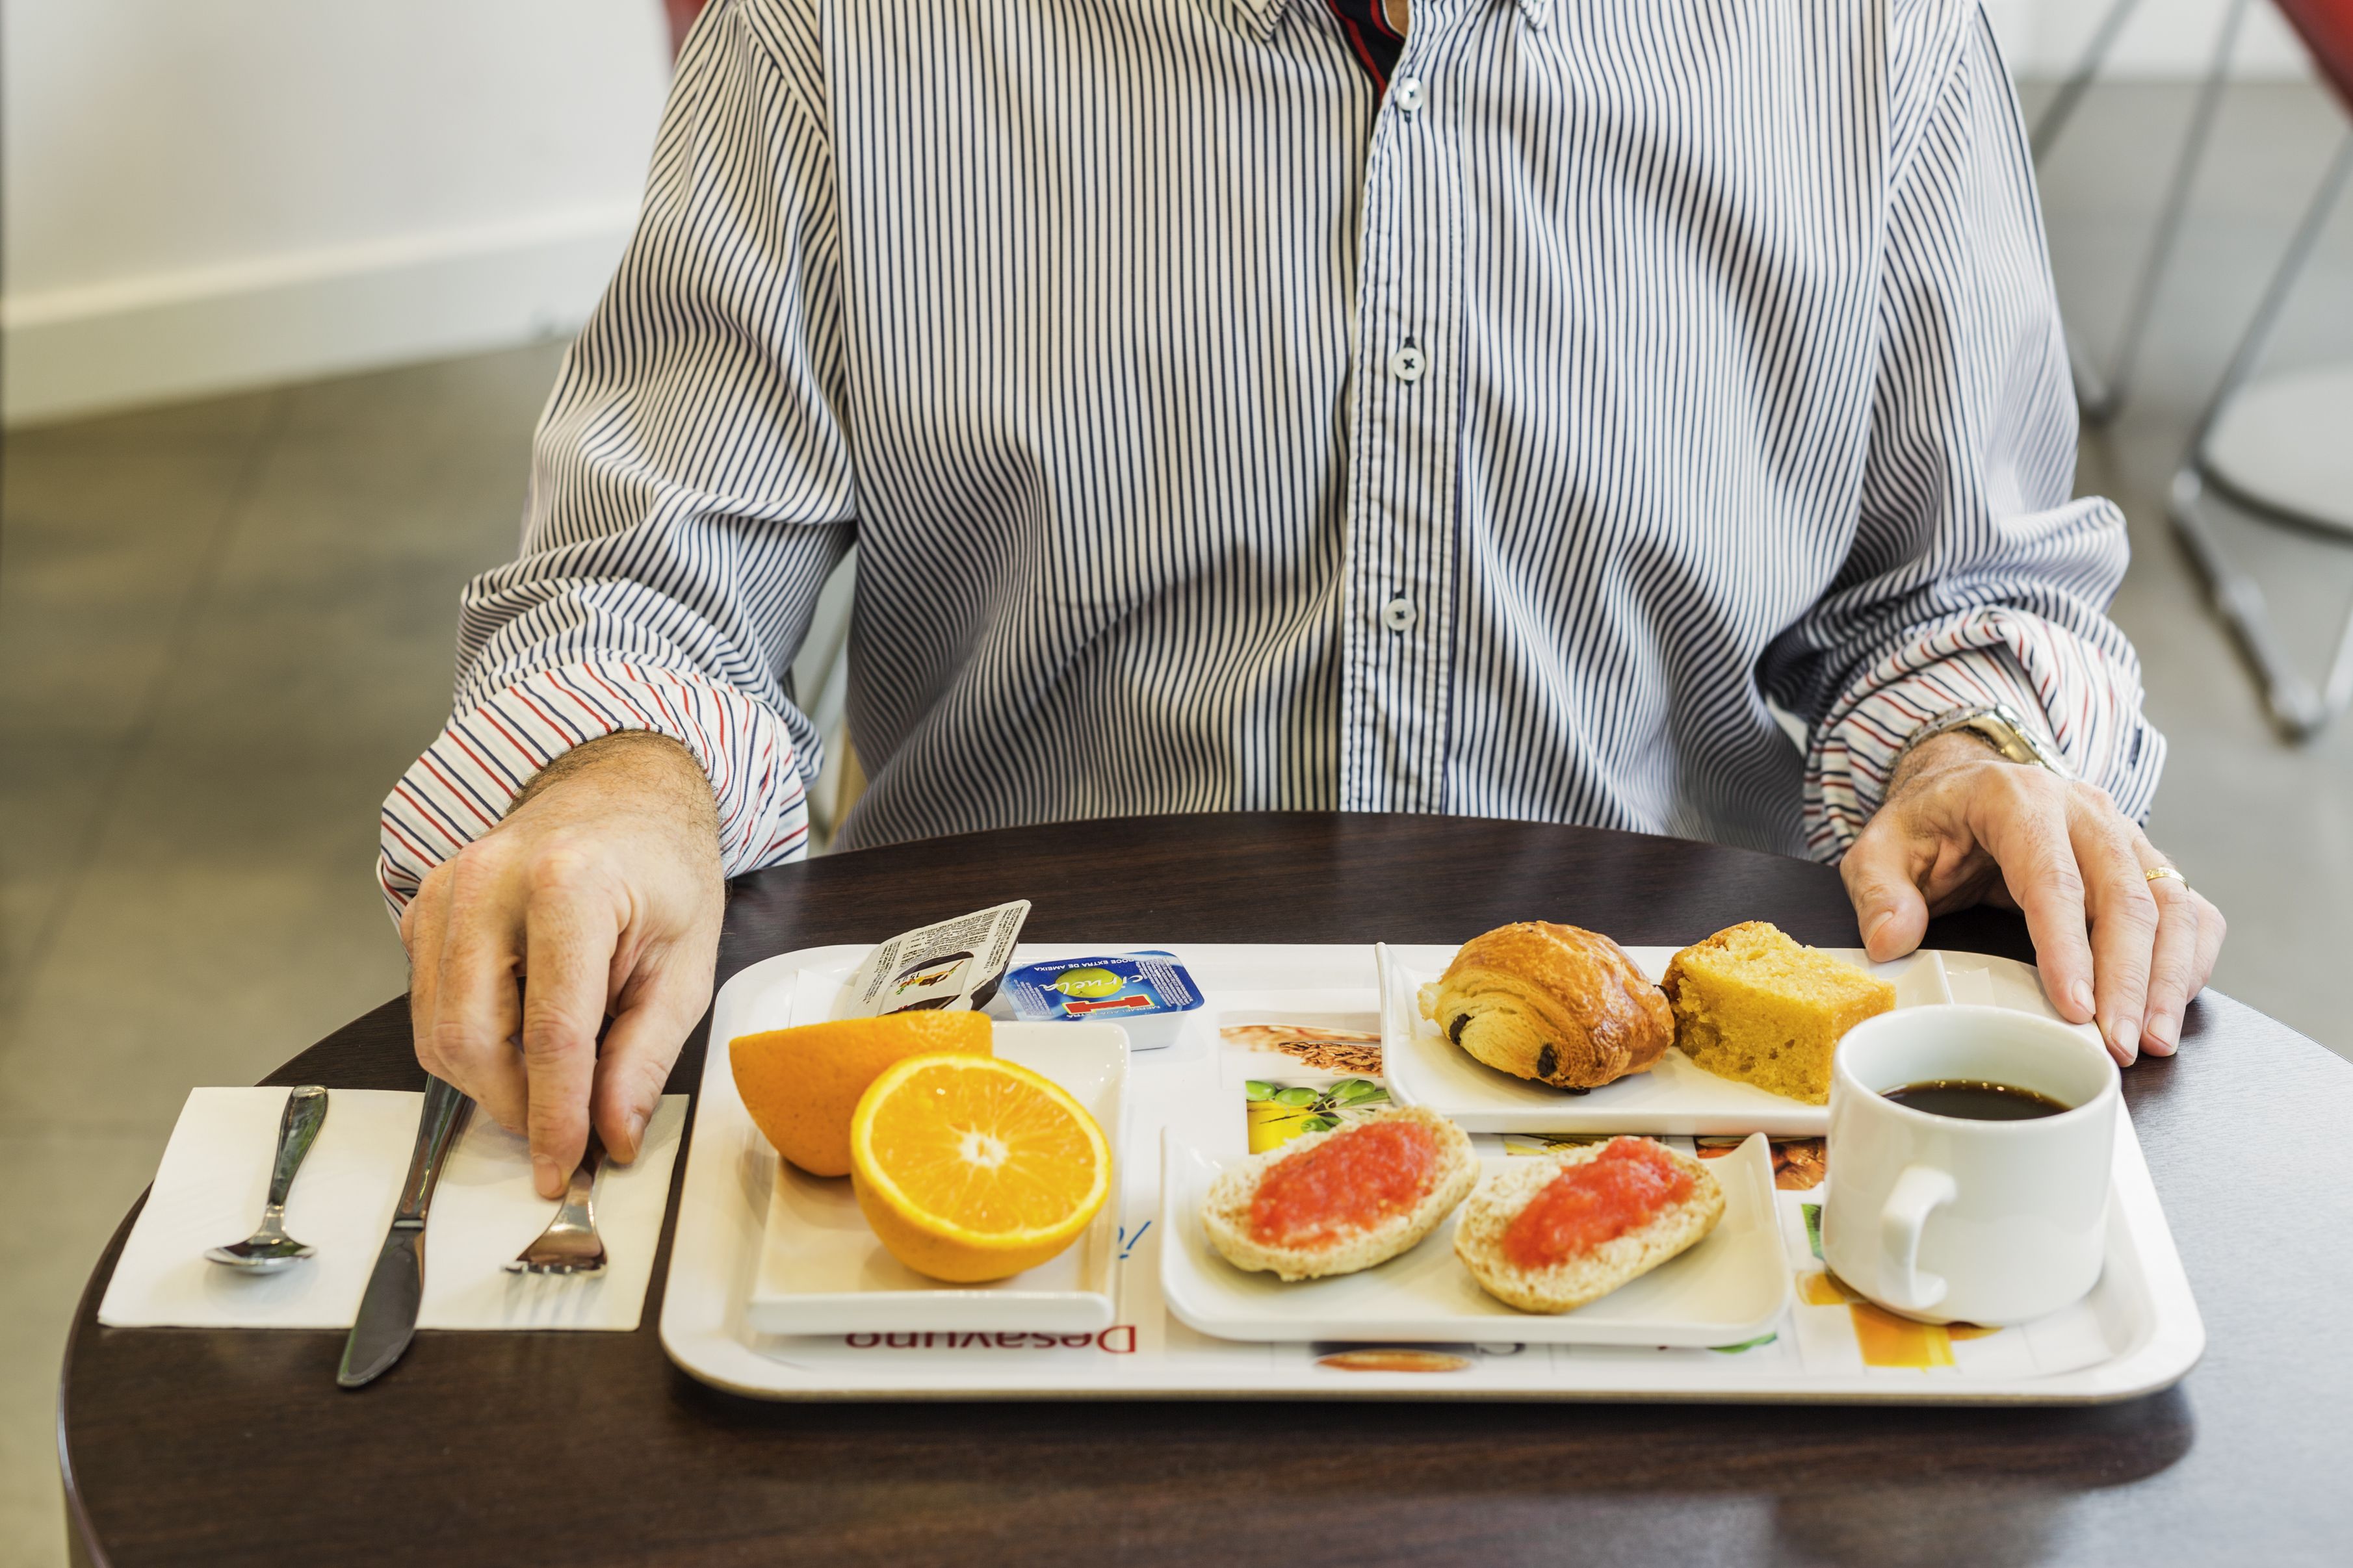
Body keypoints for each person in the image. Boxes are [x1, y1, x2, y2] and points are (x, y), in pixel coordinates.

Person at [382, 0, 2224, 1197]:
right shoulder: (835, 38)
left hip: (1668, 1120)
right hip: (1016, 1124)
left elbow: (1945, 578)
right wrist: (623, 777)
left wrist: (1967, 746)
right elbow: (654, 573)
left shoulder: (1873, 40)